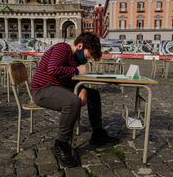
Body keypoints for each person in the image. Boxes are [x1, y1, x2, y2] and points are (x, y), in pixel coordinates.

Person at [30, 32, 119, 168]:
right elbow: (53, 69)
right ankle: (61, 144)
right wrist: (77, 71)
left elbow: (68, 79)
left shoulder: (74, 58)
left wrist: (82, 88)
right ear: (80, 46)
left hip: (57, 88)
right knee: (72, 102)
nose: (86, 61)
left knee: (93, 94)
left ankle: (98, 133)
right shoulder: (62, 48)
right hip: (42, 89)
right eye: (87, 56)